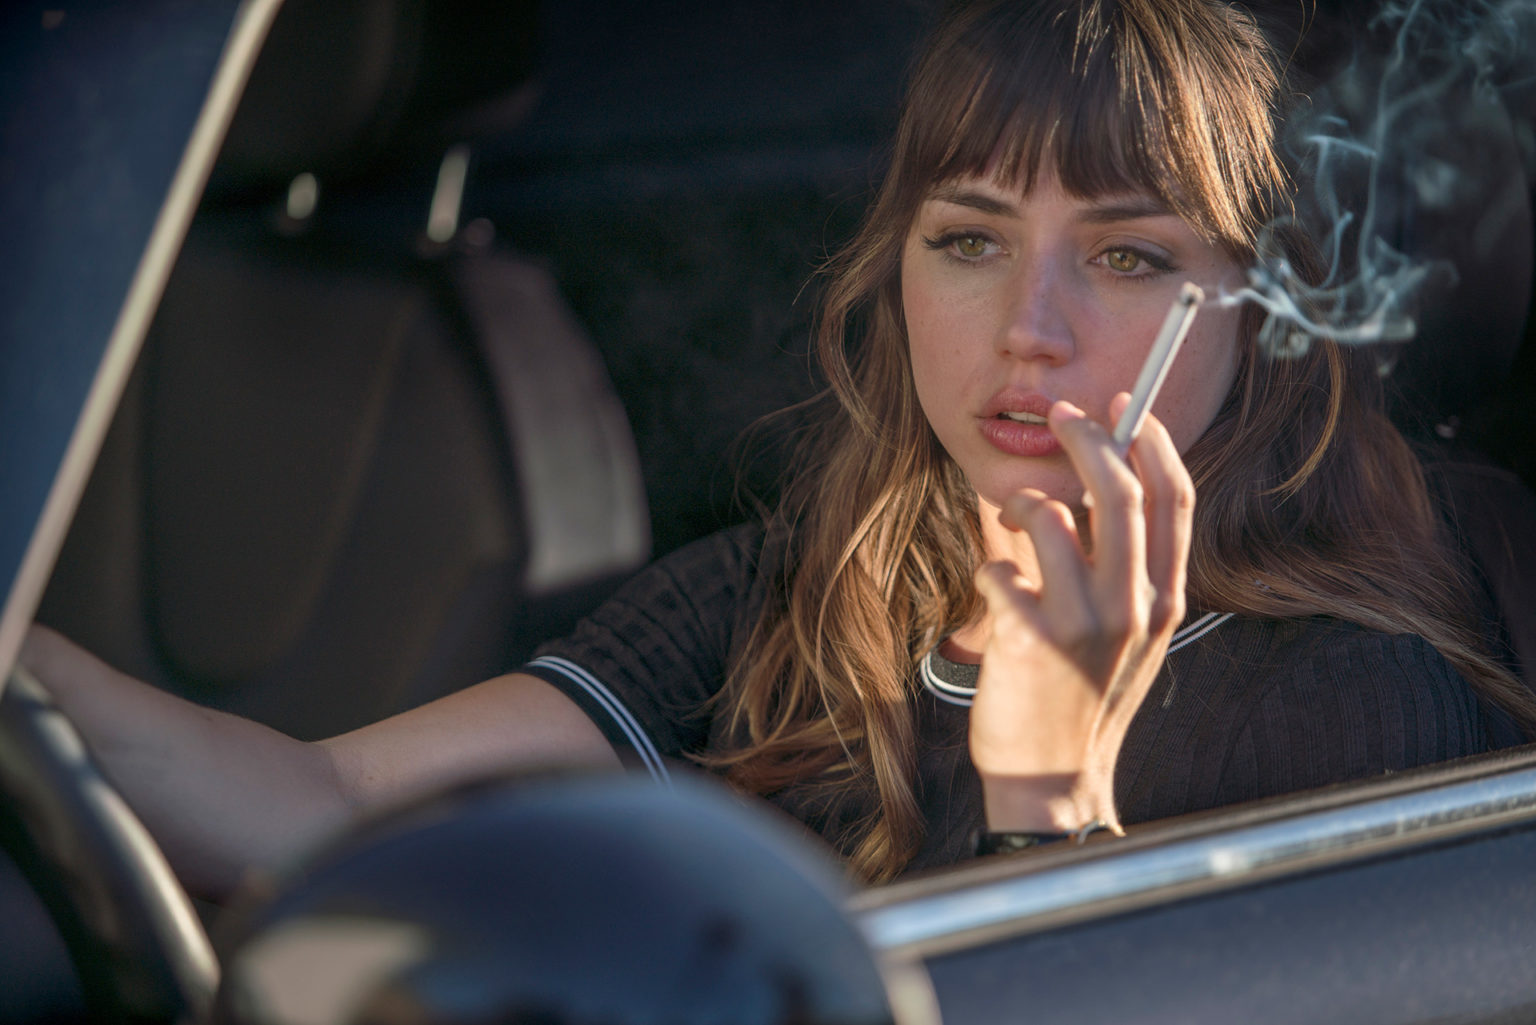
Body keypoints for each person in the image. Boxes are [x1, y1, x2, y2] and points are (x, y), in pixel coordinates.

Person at [19, 0, 1536, 895]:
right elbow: (330, 801)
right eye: (968, 240)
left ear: (1251, 314)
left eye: (1129, 257)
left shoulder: (1346, 698)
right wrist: (27, 671)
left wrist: (1048, 797)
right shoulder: (800, 595)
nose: (1030, 328)